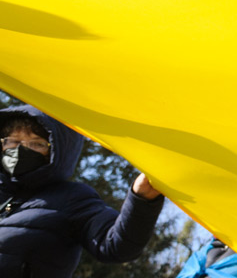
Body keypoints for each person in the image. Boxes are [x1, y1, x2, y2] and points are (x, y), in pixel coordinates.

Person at [0, 104, 165, 277]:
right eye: (12, 141)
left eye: (36, 143)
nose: (19, 151)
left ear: (57, 150)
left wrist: (141, 199)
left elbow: (116, 246)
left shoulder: (71, 198)